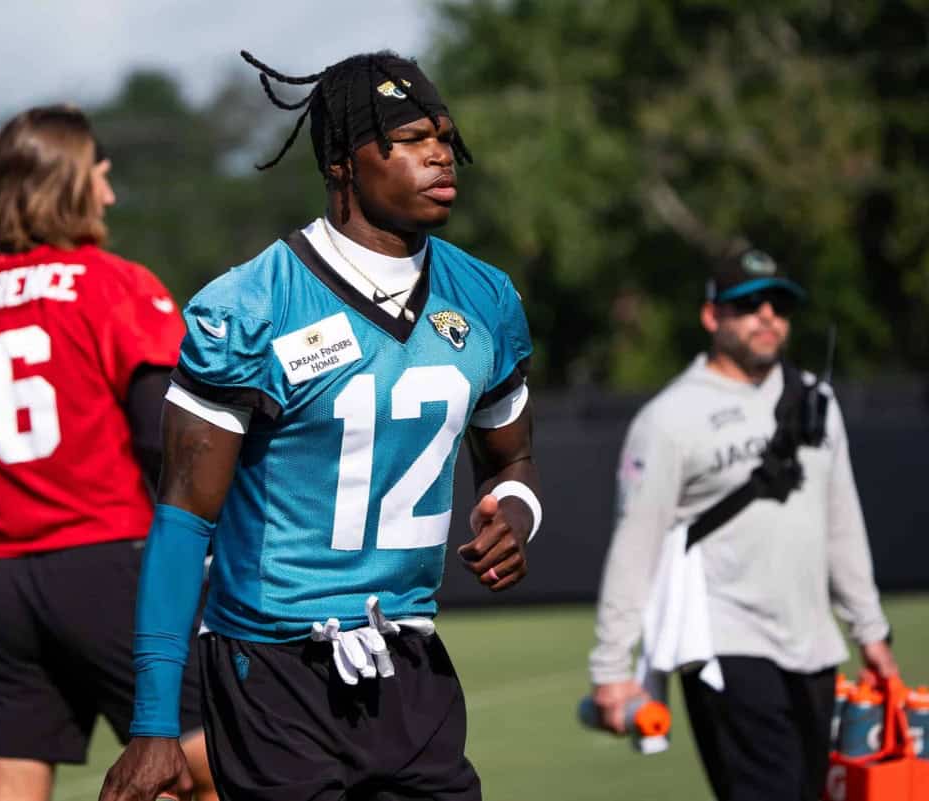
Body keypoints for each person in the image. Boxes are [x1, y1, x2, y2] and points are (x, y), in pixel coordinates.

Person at [98, 50, 542, 801]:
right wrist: (153, 724)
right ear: (341, 162)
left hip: (409, 654)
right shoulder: (251, 306)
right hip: (273, 664)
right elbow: (181, 520)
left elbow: (512, 459)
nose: (439, 154)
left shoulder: (485, 297)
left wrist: (517, 516)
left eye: (443, 136)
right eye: (408, 140)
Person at [0, 105, 216, 801]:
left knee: (8, 788)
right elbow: (164, 440)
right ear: (69, 184)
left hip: (0, 588)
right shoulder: (111, 283)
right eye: (100, 176)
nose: (109, 195)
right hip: (113, 568)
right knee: (226, 761)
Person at [588, 244, 898, 801]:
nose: (767, 317)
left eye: (778, 304)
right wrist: (612, 667)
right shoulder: (668, 419)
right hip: (726, 645)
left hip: (815, 648)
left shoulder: (817, 401)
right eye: (749, 304)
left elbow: (842, 525)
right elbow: (635, 547)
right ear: (712, 316)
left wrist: (870, 633)